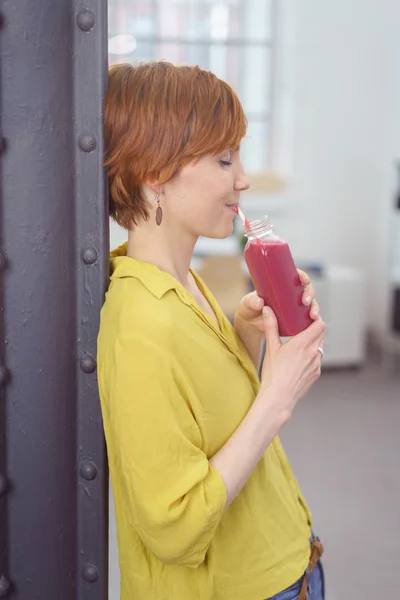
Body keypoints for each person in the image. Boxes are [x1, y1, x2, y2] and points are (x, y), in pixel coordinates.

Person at [97, 61, 326, 600]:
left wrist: (244, 334)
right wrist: (278, 398)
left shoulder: (182, 285)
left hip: (290, 568)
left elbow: (206, 422)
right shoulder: (138, 325)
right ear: (155, 172)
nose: (242, 178)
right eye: (224, 160)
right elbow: (172, 525)